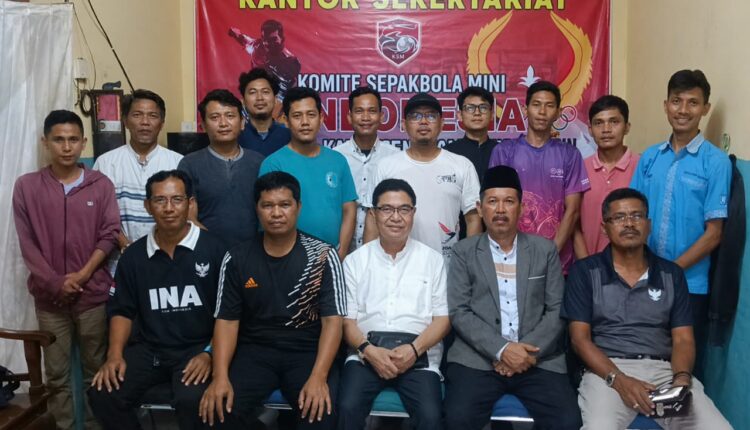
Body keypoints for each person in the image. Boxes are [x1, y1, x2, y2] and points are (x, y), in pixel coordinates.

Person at [561, 188, 731, 429]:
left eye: (637, 216)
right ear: (604, 227)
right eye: (619, 217)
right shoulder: (586, 272)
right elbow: (579, 340)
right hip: (607, 373)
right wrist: (620, 381)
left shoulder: (671, 274)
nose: (629, 223)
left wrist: (681, 379)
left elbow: (683, 339)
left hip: (665, 372)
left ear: (648, 225)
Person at [199, 171, 345, 429]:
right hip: (255, 351)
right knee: (217, 412)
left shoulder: (323, 255)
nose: (276, 213)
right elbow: (227, 322)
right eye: (267, 205)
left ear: (298, 207)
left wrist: (319, 377)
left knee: (320, 416)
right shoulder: (237, 258)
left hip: (307, 351)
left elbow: (333, 321)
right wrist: (220, 377)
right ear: (257, 209)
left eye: (284, 204)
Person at [444, 165, 581, 430]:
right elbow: (459, 311)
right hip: (478, 359)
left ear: (522, 207)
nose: (500, 209)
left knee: (568, 421)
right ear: (480, 208)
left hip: (537, 358)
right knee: (457, 418)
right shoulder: (464, 251)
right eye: (492, 201)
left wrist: (523, 354)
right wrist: (503, 349)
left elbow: (556, 310)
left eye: (508, 201)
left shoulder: (544, 250)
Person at [88, 170, 226, 430]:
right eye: (160, 200)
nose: (169, 208)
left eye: (177, 199)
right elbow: (122, 311)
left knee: (192, 400)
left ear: (189, 203)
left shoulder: (216, 250)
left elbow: (230, 315)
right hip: (150, 350)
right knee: (103, 393)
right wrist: (114, 355)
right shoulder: (133, 256)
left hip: (198, 349)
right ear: (147, 206)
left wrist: (210, 353)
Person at [12, 110, 120, 430]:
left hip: (92, 294)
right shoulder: (27, 186)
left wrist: (83, 275)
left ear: (84, 142)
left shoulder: (101, 185)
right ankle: (64, 426)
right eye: (59, 139)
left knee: (96, 372)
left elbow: (109, 234)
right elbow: (27, 242)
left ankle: (96, 425)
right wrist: (54, 281)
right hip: (49, 299)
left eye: (73, 139)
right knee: (57, 375)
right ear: (45, 142)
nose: (67, 146)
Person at [630, 70, 731, 372]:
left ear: (705, 108)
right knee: (641, 356)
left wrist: (670, 271)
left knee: (682, 367)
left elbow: (714, 234)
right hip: (644, 280)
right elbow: (633, 217)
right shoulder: (650, 157)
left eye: (693, 102)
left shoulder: (715, 162)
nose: (683, 110)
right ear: (666, 105)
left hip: (691, 286)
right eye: (676, 101)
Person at [338, 179, 449, 430]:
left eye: (404, 209)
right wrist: (369, 351)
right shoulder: (355, 261)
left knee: (431, 416)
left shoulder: (433, 261)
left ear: (413, 213)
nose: (396, 217)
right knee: (346, 408)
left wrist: (413, 350)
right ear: (374, 214)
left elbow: (443, 319)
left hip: (419, 357)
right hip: (365, 355)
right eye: (387, 209)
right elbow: (347, 321)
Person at [363, 92, 481, 262]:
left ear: (442, 123)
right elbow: (372, 219)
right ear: (404, 125)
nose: (423, 121)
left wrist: (469, 265)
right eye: (415, 116)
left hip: (448, 268)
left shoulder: (462, 165)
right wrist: (368, 265)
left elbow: (473, 218)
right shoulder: (386, 166)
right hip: (394, 267)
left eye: (431, 116)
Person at [488, 81, 590, 272]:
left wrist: (550, 254)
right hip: (511, 260)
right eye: (536, 104)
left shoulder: (570, 154)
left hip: (557, 262)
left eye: (549, 105)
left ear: (558, 113)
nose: (542, 111)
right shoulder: (504, 152)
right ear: (525, 109)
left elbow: (573, 210)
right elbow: (495, 208)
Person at [259, 86, 357, 260]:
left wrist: (340, 254)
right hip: (288, 260)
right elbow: (269, 217)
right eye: (297, 116)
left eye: (311, 115)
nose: (305, 122)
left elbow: (349, 209)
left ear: (321, 118)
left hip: (332, 257)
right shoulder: (274, 163)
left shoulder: (337, 160)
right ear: (286, 120)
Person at [94, 89, 183, 273]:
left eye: (152, 116)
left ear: (161, 123)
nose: (145, 122)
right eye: (137, 115)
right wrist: (126, 245)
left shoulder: (178, 162)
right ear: (125, 121)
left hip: (168, 259)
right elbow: (98, 215)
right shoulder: (106, 163)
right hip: (119, 262)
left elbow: (184, 214)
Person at [178, 89, 264, 248]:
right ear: (203, 125)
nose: (223, 123)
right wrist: (214, 248)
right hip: (206, 252)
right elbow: (188, 217)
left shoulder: (259, 162)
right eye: (215, 117)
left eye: (230, 116)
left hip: (254, 252)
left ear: (242, 123)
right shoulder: (189, 164)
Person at [334, 87, 399, 251]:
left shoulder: (395, 158)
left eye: (372, 111)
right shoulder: (336, 156)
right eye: (359, 111)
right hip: (340, 250)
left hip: (383, 251)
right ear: (349, 117)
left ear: (381, 116)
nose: (365, 117)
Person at [574, 95, 639, 258]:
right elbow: (573, 224)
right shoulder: (579, 168)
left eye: (614, 122)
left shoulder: (642, 167)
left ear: (627, 127)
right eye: (599, 123)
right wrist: (587, 265)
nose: (606, 129)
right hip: (589, 264)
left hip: (633, 265)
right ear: (590, 130)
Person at [229, 19, 300, 105]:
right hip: (257, 100)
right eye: (266, 39)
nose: (269, 43)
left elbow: (292, 87)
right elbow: (243, 39)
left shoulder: (291, 61)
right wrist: (234, 33)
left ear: (282, 38)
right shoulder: (257, 47)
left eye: (273, 39)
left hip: (279, 103)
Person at [237, 67, 291, 156]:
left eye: (265, 92)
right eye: (252, 92)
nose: (259, 98)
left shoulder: (290, 137)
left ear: (275, 99)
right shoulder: (235, 137)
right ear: (243, 101)